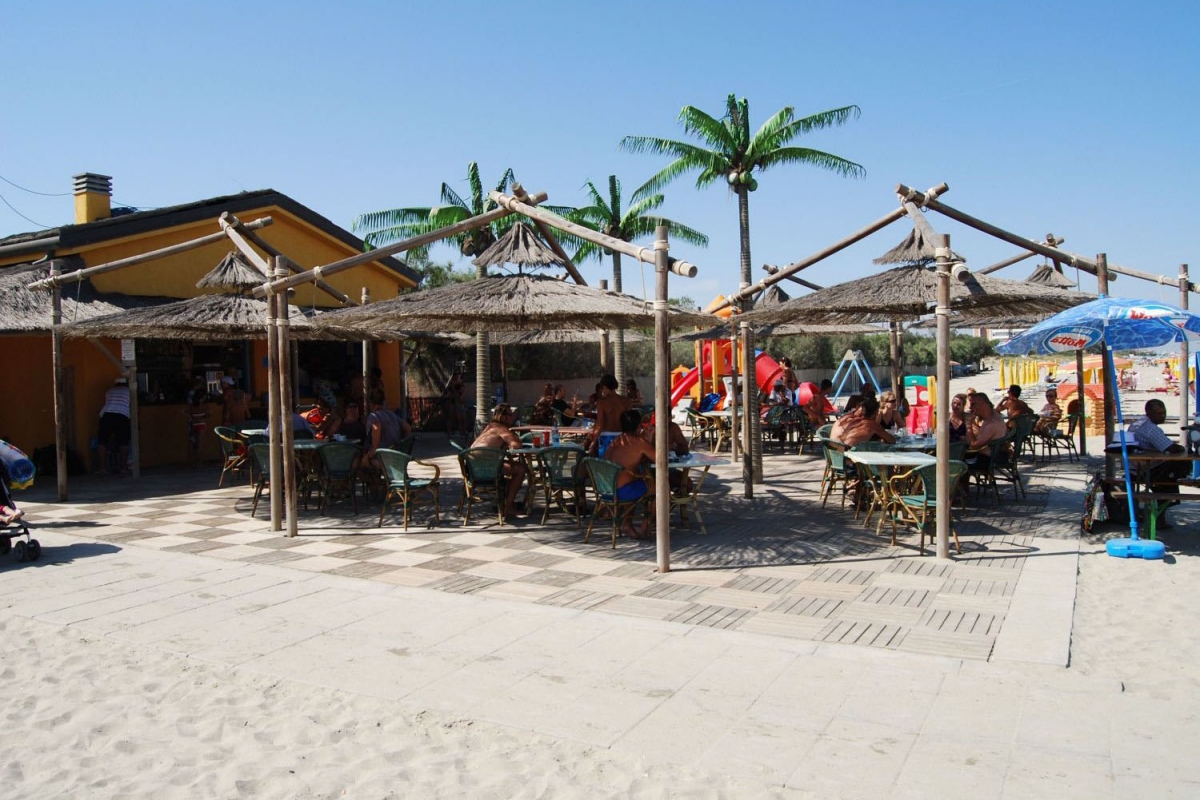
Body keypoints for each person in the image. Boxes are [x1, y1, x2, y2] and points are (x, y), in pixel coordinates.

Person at [1129, 399, 1189, 529]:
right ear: (1149, 413)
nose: (1163, 416)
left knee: (1172, 470)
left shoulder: (1137, 423)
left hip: (1134, 468)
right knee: (1179, 465)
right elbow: (1171, 448)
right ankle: (1161, 512)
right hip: (1146, 470)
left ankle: (1162, 510)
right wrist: (1183, 448)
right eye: (1159, 413)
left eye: (1164, 413)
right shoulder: (1151, 429)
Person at [605, 409, 656, 539]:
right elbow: (660, 458)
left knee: (635, 481)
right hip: (622, 491)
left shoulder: (616, 441)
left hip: (605, 490)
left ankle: (627, 524)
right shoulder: (639, 442)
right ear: (639, 426)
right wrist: (649, 440)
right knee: (661, 489)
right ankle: (645, 526)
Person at [470, 404, 526, 519]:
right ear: (504, 417)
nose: (513, 417)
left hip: (472, 468)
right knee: (520, 469)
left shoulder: (490, 427)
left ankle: (503, 502)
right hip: (486, 468)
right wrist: (513, 437)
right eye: (510, 415)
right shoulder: (501, 429)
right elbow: (517, 445)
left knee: (511, 469)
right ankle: (509, 506)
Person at [361, 388, 409, 478]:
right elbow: (407, 428)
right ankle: (381, 485)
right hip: (396, 454)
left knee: (362, 463)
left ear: (371, 403)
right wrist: (398, 438)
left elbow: (376, 430)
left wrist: (369, 454)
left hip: (384, 458)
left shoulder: (374, 416)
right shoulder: (391, 414)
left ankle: (376, 488)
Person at [965, 393, 1008, 475]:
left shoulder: (991, 424)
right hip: (999, 455)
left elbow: (974, 445)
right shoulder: (995, 414)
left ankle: (960, 487)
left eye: (973, 404)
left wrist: (968, 424)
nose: (970, 407)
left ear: (982, 404)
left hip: (990, 460)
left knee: (957, 462)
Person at [96, 377, 132, 475]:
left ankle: (102, 468)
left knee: (102, 441)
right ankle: (123, 468)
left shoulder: (109, 391)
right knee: (123, 442)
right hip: (123, 416)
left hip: (107, 415)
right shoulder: (129, 391)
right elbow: (132, 406)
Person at [589, 374, 631, 453]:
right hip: (622, 437)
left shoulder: (601, 402)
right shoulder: (626, 401)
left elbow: (600, 424)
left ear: (604, 387)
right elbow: (629, 423)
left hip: (606, 437)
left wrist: (593, 442)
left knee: (605, 463)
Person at [830, 398, 895, 447]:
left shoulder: (852, 421)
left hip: (838, 454)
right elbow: (892, 440)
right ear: (875, 413)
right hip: (850, 459)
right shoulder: (872, 424)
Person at [184, 392, 208, 468]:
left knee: (194, 443)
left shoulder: (192, 406)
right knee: (200, 444)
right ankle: (199, 462)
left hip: (194, 424)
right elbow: (209, 413)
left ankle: (193, 462)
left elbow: (184, 411)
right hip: (201, 424)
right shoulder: (204, 406)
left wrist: (191, 417)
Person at [442, 372, 469, 436]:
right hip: (453, 403)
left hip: (459, 404)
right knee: (452, 418)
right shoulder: (452, 388)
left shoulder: (460, 385)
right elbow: (451, 394)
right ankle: (451, 432)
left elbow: (461, 397)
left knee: (462, 418)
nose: (458, 378)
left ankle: (463, 431)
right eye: (457, 377)